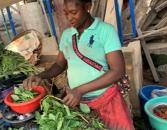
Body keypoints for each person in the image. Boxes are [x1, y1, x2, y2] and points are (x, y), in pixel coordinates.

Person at [23, 0, 135, 129]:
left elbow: (118, 71)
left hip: (107, 100)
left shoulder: (105, 30)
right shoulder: (66, 35)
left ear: (88, 6)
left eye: (74, 12)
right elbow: (59, 65)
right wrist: (41, 76)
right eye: (66, 13)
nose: (69, 18)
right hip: (80, 103)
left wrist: (80, 90)